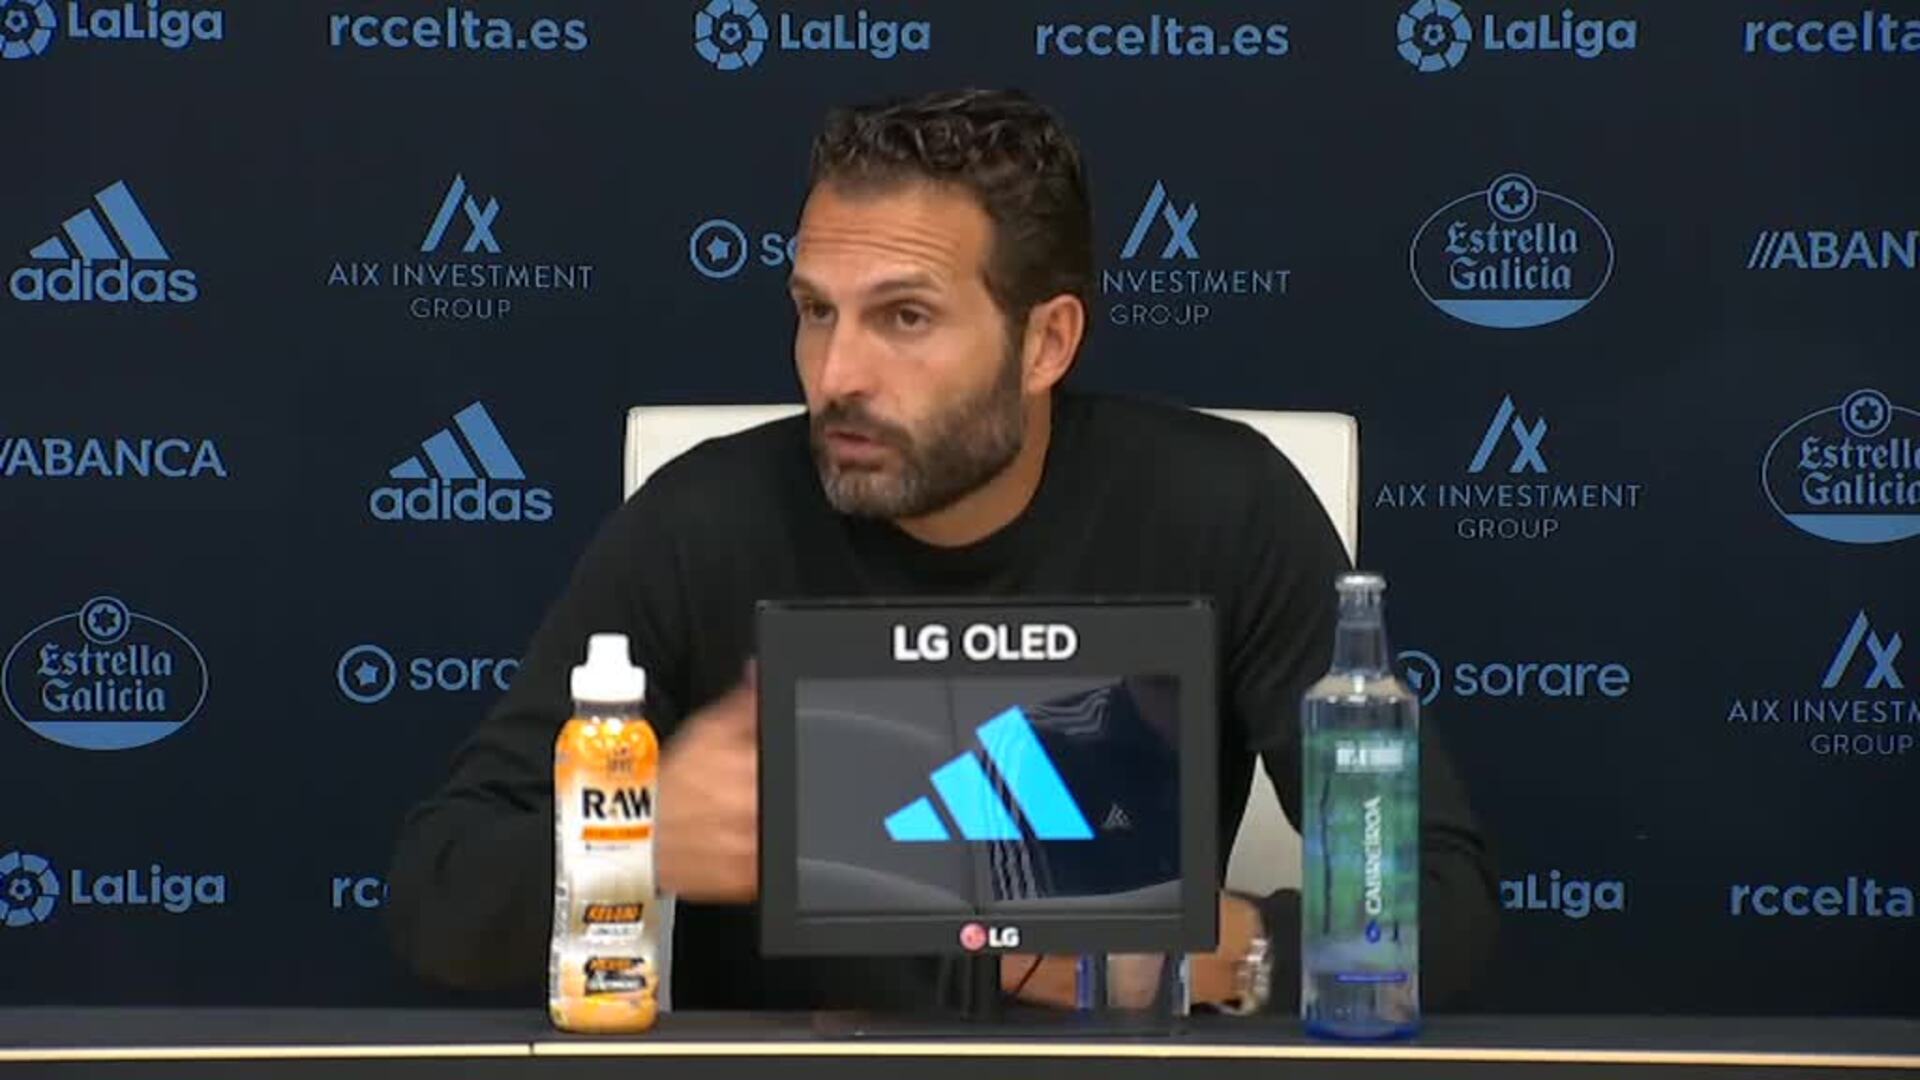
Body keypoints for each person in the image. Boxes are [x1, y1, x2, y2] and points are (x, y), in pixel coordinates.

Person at [386, 87, 1498, 1014]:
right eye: (815, 312)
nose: (836, 376)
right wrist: (634, 835)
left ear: (1047, 341)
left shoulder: (1224, 509)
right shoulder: (702, 521)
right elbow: (437, 896)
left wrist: (1210, 957)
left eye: (904, 318)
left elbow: (1439, 904)